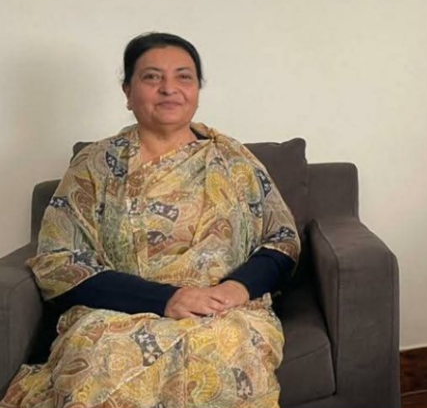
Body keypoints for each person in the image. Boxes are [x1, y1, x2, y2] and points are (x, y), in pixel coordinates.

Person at [1, 33, 301, 408]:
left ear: (197, 89)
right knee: (99, 357)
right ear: (128, 92)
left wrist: (238, 288)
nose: (169, 89)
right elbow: (58, 261)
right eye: (152, 77)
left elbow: (282, 239)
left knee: (226, 351)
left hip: (223, 311)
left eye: (183, 77)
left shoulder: (233, 160)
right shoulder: (94, 165)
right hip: (117, 313)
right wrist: (166, 299)